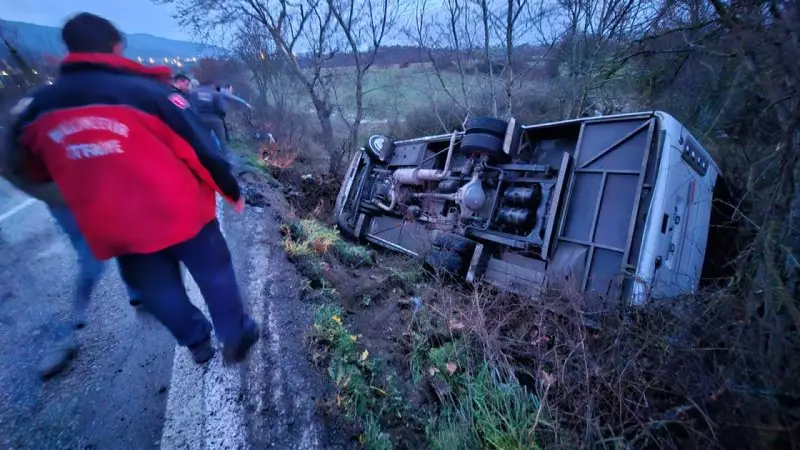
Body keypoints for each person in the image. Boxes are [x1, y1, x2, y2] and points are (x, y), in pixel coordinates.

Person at [4, 12, 260, 367]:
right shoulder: (147, 93)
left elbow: (24, 166)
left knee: (158, 290)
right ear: (115, 47)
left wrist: (72, 191)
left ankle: (197, 341)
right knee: (214, 272)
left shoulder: (39, 108)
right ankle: (234, 335)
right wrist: (231, 189)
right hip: (182, 213)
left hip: (116, 228)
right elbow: (200, 148)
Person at [189, 80, 228, 153]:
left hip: (198, 119)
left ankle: (200, 153)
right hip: (214, 119)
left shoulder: (193, 93)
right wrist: (221, 116)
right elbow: (220, 109)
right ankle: (224, 155)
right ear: (212, 85)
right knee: (221, 139)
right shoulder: (216, 94)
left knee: (200, 138)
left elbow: (190, 106)